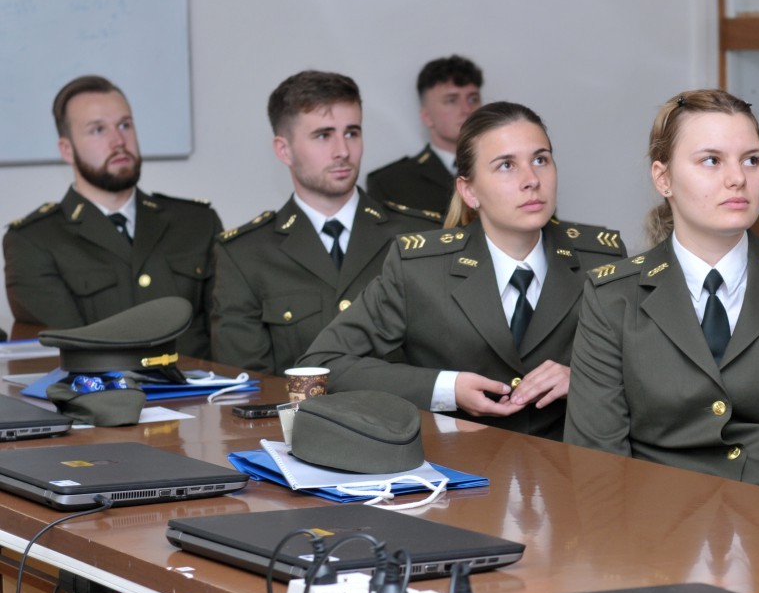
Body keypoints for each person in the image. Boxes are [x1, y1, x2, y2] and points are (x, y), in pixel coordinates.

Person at [565, 90, 759, 503]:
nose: (737, 178)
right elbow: (597, 464)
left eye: (751, 160)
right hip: (659, 526)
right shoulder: (613, 297)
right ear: (663, 178)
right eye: (712, 160)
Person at [300, 101, 625, 440]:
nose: (531, 180)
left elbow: (654, 372)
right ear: (469, 191)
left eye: (540, 160)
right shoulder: (420, 269)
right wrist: (446, 388)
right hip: (458, 463)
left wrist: (585, 378)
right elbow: (324, 364)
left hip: (575, 462)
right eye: (506, 165)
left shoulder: (602, 260)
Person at [210, 71, 442, 375]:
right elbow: (248, 385)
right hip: (296, 408)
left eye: (352, 133)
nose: (343, 151)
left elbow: (445, 360)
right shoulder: (245, 255)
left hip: (405, 406)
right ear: (284, 150)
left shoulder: (419, 236)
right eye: (323, 135)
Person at [4, 75, 221, 357]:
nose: (118, 141)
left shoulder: (197, 222)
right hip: (99, 386)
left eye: (125, 125)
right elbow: (67, 354)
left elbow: (225, 336)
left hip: (202, 384)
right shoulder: (33, 241)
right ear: (67, 149)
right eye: (98, 130)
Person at [364, 54, 483, 214]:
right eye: (451, 100)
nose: (467, 109)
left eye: (473, 99)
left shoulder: (507, 167)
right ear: (427, 117)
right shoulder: (391, 182)